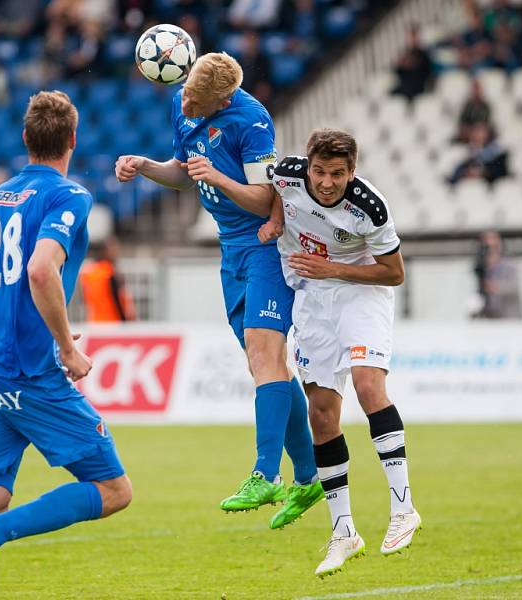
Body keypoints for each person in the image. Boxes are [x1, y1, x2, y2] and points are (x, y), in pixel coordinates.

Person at [0, 91, 132, 600]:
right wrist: (64, 345)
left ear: (25, 140)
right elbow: (40, 269)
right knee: (114, 491)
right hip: (31, 373)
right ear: (72, 141)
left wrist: (9, 326)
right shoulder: (70, 196)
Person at [115, 52, 322, 529]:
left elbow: (266, 199)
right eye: (185, 94)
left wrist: (219, 177)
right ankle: (309, 478)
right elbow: (184, 174)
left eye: (196, 102)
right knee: (265, 364)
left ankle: (265, 473)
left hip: (265, 246)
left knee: (265, 353)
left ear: (223, 100)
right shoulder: (182, 102)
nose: (185, 105)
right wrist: (146, 165)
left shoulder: (251, 122)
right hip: (230, 250)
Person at [258, 129, 421, 577]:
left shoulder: (370, 206)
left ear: (352, 172)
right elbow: (277, 189)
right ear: (307, 165)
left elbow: (394, 273)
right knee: (323, 416)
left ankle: (404, 509)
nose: (326, 182)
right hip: (311, 297)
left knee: (369, 386)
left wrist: (333, 267)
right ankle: (344, 531)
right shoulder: (289, 173)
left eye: (337, 174)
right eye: (319, 171)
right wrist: (275, 221)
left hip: (360, 292)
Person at [79, 235, 137, 322]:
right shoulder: (110, 272)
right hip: (113, 322)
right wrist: (125, 321)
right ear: (105, 251)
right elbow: (117, 300)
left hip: (94, 321)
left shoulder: (88, 272)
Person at [473, 230, 522, 318]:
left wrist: (494, 287)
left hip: (510, 319)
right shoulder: (482, 268)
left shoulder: (509, 265)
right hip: (493, 319)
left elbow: (514, 287)